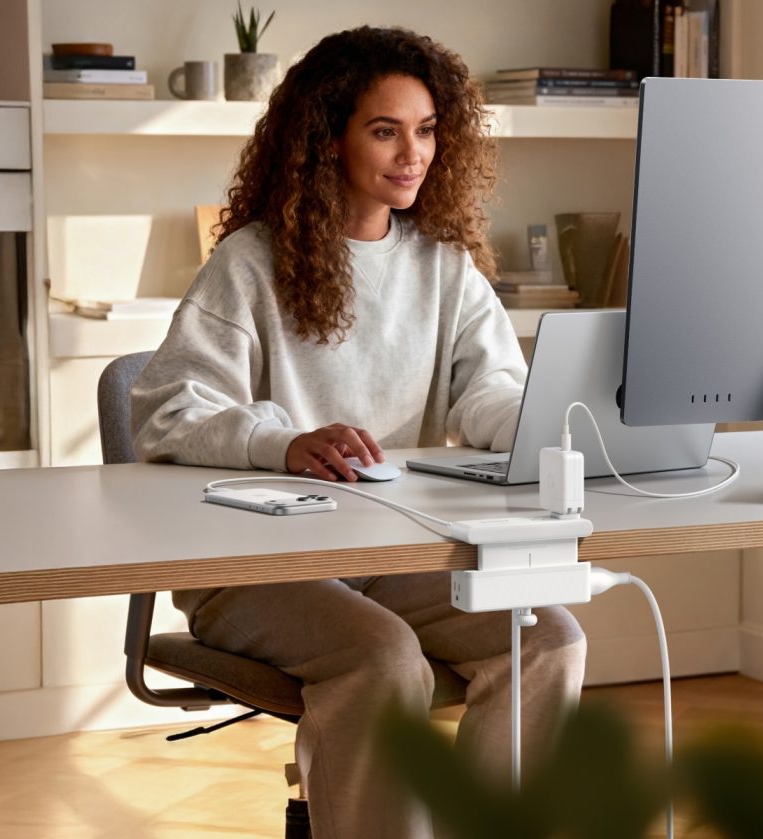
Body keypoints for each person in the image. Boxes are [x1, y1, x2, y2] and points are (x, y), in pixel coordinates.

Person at [131, 25, 587, 838]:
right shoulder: (250, 261)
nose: (413, 153)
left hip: (391, 553)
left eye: (426, 130)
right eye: (385, 130)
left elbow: (488, 390)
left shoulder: (444, 265)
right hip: (247, 567)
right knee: (379, 657)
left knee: (548, 636)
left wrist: (558, 423)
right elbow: (167, 410)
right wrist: (282, 440)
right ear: (326, 139)